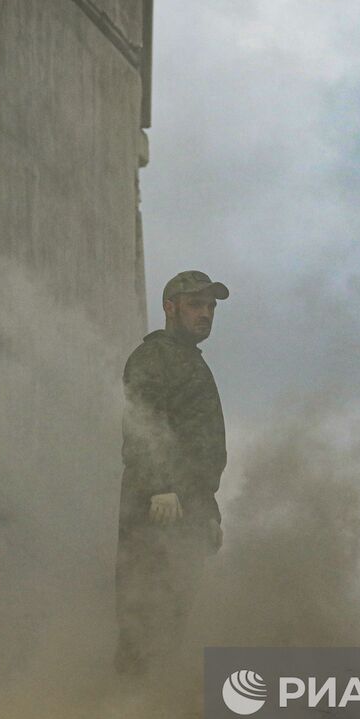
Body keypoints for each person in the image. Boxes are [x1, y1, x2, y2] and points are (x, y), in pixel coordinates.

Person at [115, 270, 229, 675]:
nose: (206, 314)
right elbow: (142, 423)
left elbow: (200, 453)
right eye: (196, 305)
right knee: (145, 620)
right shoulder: (154, 356)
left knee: (172, 623)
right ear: (169, 307)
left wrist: (209, 512)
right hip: (157, 511)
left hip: (189, 511)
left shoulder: (191, 363)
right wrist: (160, 487)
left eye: (211, 306)